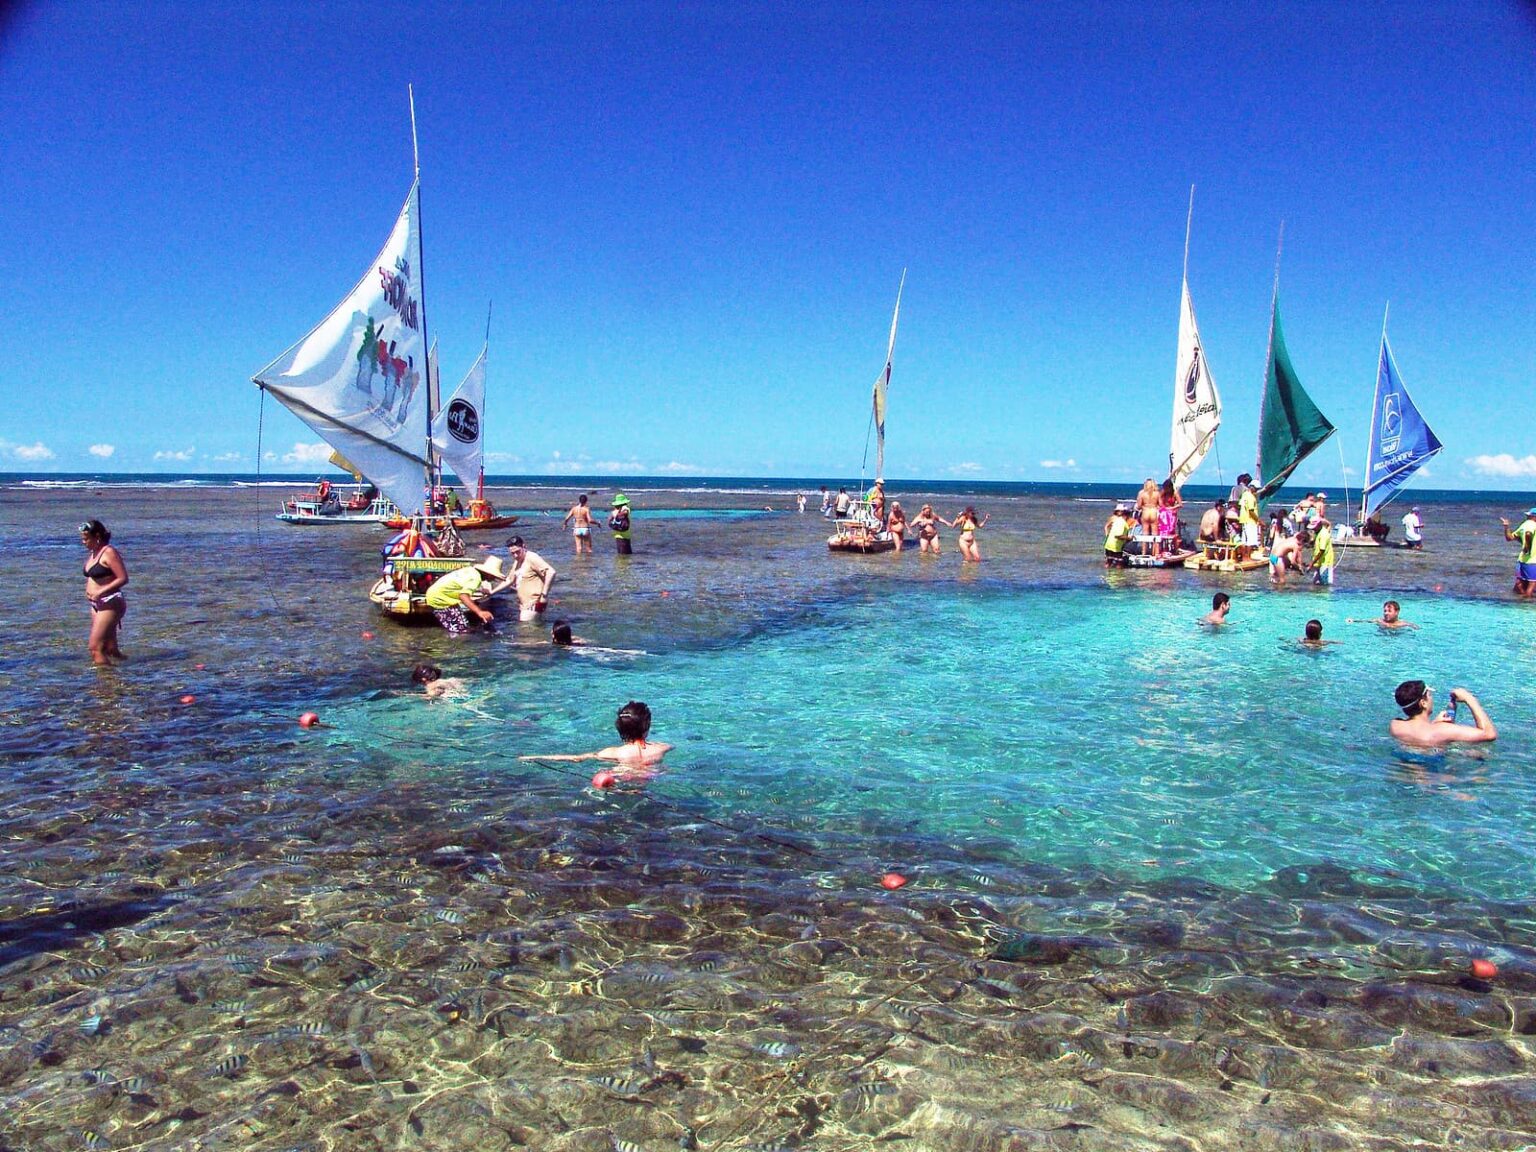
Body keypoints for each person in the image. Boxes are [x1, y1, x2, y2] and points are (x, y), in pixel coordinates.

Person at [519, 700, 673, 778]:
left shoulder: (614, 753)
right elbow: (671, 746)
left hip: (623, 777)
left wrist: (534, 757)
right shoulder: (661, 748)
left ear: (619, 728)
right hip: (651, 775)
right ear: (647, 726)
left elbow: (575, 759)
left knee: (605, 776)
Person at [80, 519, 128, 665]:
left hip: (110, 602)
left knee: (95, 648)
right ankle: (128, 671)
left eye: (86, 539)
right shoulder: (94, 553)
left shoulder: (109, 552)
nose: (84, 542)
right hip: (96, 605)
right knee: (110, 649)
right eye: (82, 539)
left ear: (98, 537)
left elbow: (123, 578)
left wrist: (101, 591)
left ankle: (105, 682)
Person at [1390, 681, 1497, 746]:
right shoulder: (1443, 730)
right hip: (1433, 776)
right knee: (1479, 753)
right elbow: (1489, 734)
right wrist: (1469, 698)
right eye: (1429, 695)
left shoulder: (1395, 725)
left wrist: (1435, 724)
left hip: (1404, 771)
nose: (1432, 698)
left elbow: (1420, 733)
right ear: (1423, 703)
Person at [424, 555, 505, 634]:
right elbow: (463, 596)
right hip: (440, 599)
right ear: (489, 574)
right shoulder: (476, 579)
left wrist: (481, 589)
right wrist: (480, 612)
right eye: (494, 577)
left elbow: (462, 583)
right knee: (461, 630)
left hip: (436, 594)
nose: (494, 579)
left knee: (463, 625)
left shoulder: (471, 570)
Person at [506, 536, 555, 621]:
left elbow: (551, 572)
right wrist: (492, 592)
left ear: (524, 547)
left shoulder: (531, 557)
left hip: (533, 603)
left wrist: (544, 595)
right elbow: (510, 580)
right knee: (534, 629)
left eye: (517, 552)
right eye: (512, 553)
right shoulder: (518, 560)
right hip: (525, 605)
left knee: (526, 631)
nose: (515, 555)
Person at [1499, 507, 1536, 597]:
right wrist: (1527, 548)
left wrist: (1506, 527)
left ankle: (1519, 602)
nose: (1527, 517)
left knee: (1519, 584)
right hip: (1533, 561)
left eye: (1528, 516)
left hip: (1521, 560)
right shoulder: (1532, 525)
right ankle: (1526, 606)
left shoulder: (1524, 525)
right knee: (1531, 585)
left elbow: (1509, 538)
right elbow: (1528, 534)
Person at [1268, 519, 1302, 584]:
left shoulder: (1291, 539)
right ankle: (1280, 593)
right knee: (1282, 580)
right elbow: (1293, 561)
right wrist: (1299, 568)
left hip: (1272, 556)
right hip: (1277, 558)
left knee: (1276, 577)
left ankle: (1274, 590)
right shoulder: (1296, 545)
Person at [1348, 599, 1418, 629]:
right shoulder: (1379, 621)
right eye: (1385, 611)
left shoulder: (1402, 624)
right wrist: (1353, 621)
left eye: (1389, 611)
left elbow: (1415, 627)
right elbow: (1366, 621)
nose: (1386, 613)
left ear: (1397, 612)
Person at [1306, 520, 1335, 585]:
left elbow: (1322, 551)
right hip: (1319, 562)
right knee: (1315, 583)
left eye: (1314, 528)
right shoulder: (1318, 532)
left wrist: (1311, 564)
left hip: (1325, 563)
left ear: (1319, 525)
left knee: (1325, 584)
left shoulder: (1323, 535)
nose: (1313, 529)